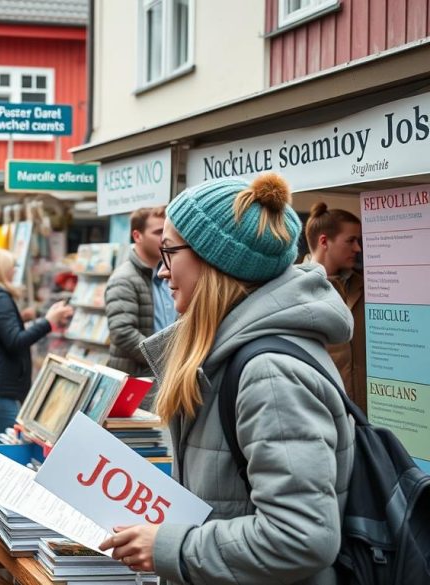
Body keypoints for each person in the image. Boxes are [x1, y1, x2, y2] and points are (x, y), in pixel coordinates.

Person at [100, 174, 355, 585]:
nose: (163, 272)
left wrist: (170, 546)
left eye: (169, 252)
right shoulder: (235, 355)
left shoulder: (268, 374)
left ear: (214, 260)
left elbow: (301, 537)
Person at [0, 248, 73, 442]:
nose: (14, 271)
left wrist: (22, 318)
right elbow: (15, 341)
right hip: (3, 386)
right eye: (13, 266)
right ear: (1, 269)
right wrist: (48, 322)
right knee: (14, 445)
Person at [304, 202, 367, 413]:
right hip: (324, 414)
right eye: (351, 241)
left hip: (372, 417)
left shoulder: (370, 286)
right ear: (324, 241)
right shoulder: (294, 291)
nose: (358, 248)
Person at [104, 207, 176, 386]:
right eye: (158, 232)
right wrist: (167, 357)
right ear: (137, 236)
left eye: (166, 232)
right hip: (138, 381)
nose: (164, 239)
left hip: (164, 377)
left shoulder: (167, 273)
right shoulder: (124, 278)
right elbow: (123, 333)